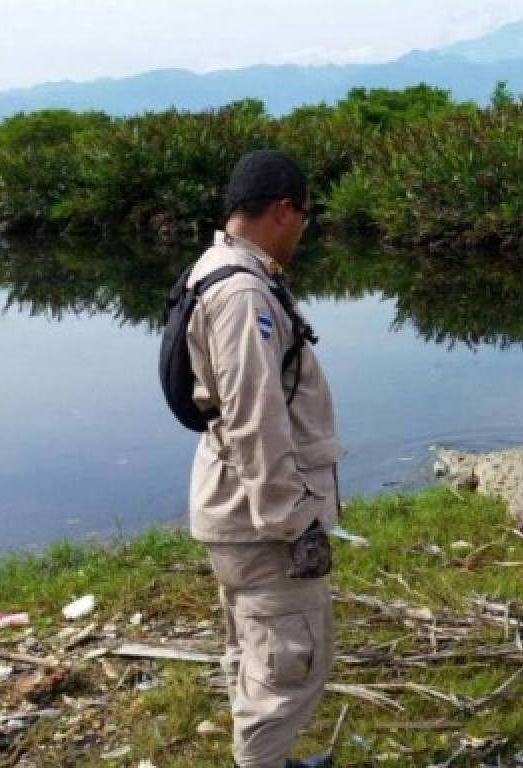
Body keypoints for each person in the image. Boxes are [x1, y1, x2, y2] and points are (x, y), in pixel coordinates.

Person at [186, 150, 340, 768]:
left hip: (232, 501)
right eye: (303, 215)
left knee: (256, 649)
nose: (303, 227)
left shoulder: (218, 264)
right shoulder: (244, 294)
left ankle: (270, 762)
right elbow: (256, 418)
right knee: (287, 667)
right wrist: (294, 521)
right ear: (283, 210)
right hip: (260, 520)